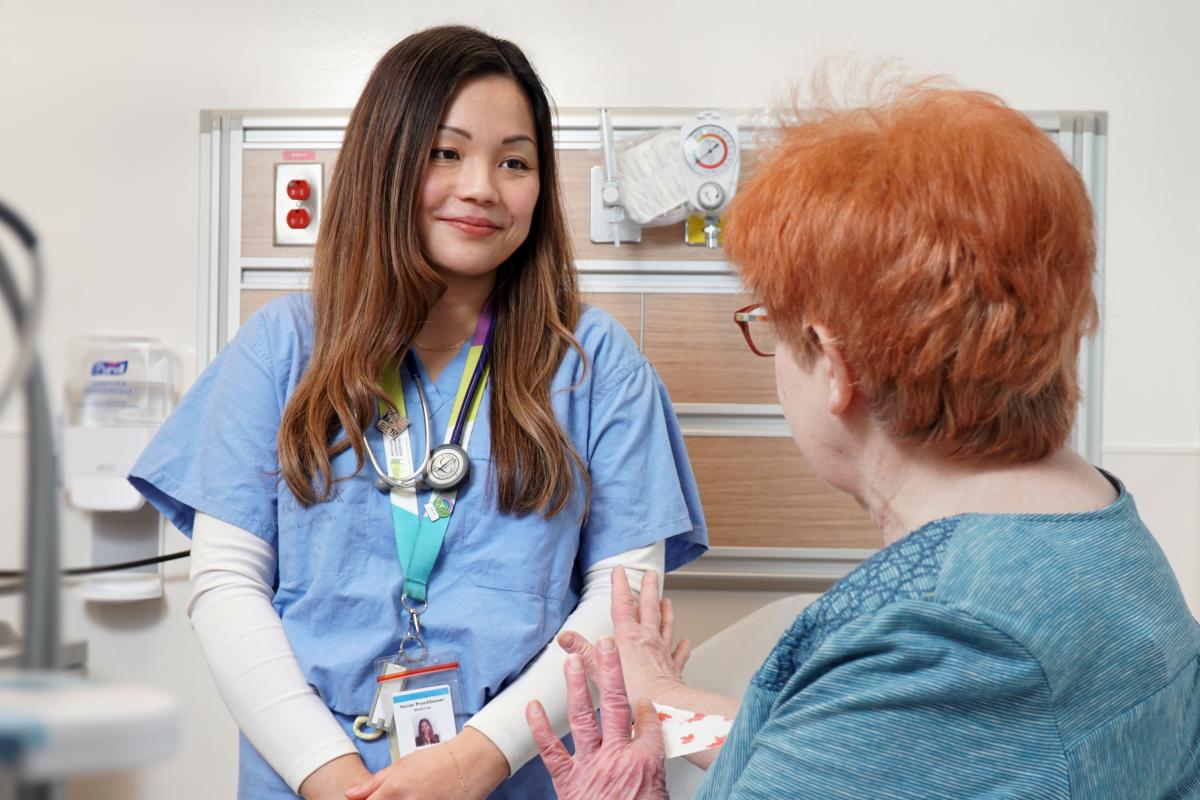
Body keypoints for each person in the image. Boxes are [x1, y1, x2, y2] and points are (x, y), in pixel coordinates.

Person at [526, 81, 1200, 798]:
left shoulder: (943, 637)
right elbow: (850, 751)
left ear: (834, 365)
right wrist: (662, 693)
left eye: (769, 328)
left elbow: (869, 742)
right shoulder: (1095, 532)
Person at [128, 25, 706, 800]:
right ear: (385, 161)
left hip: (515, 770)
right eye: (447, 152)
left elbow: (621, 608)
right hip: (306, 770)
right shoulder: (281, 347)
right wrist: (328, 777)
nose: (482, 188)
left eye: (515, 162)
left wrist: (475, 762)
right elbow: (228, 585)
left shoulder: (595, 363)